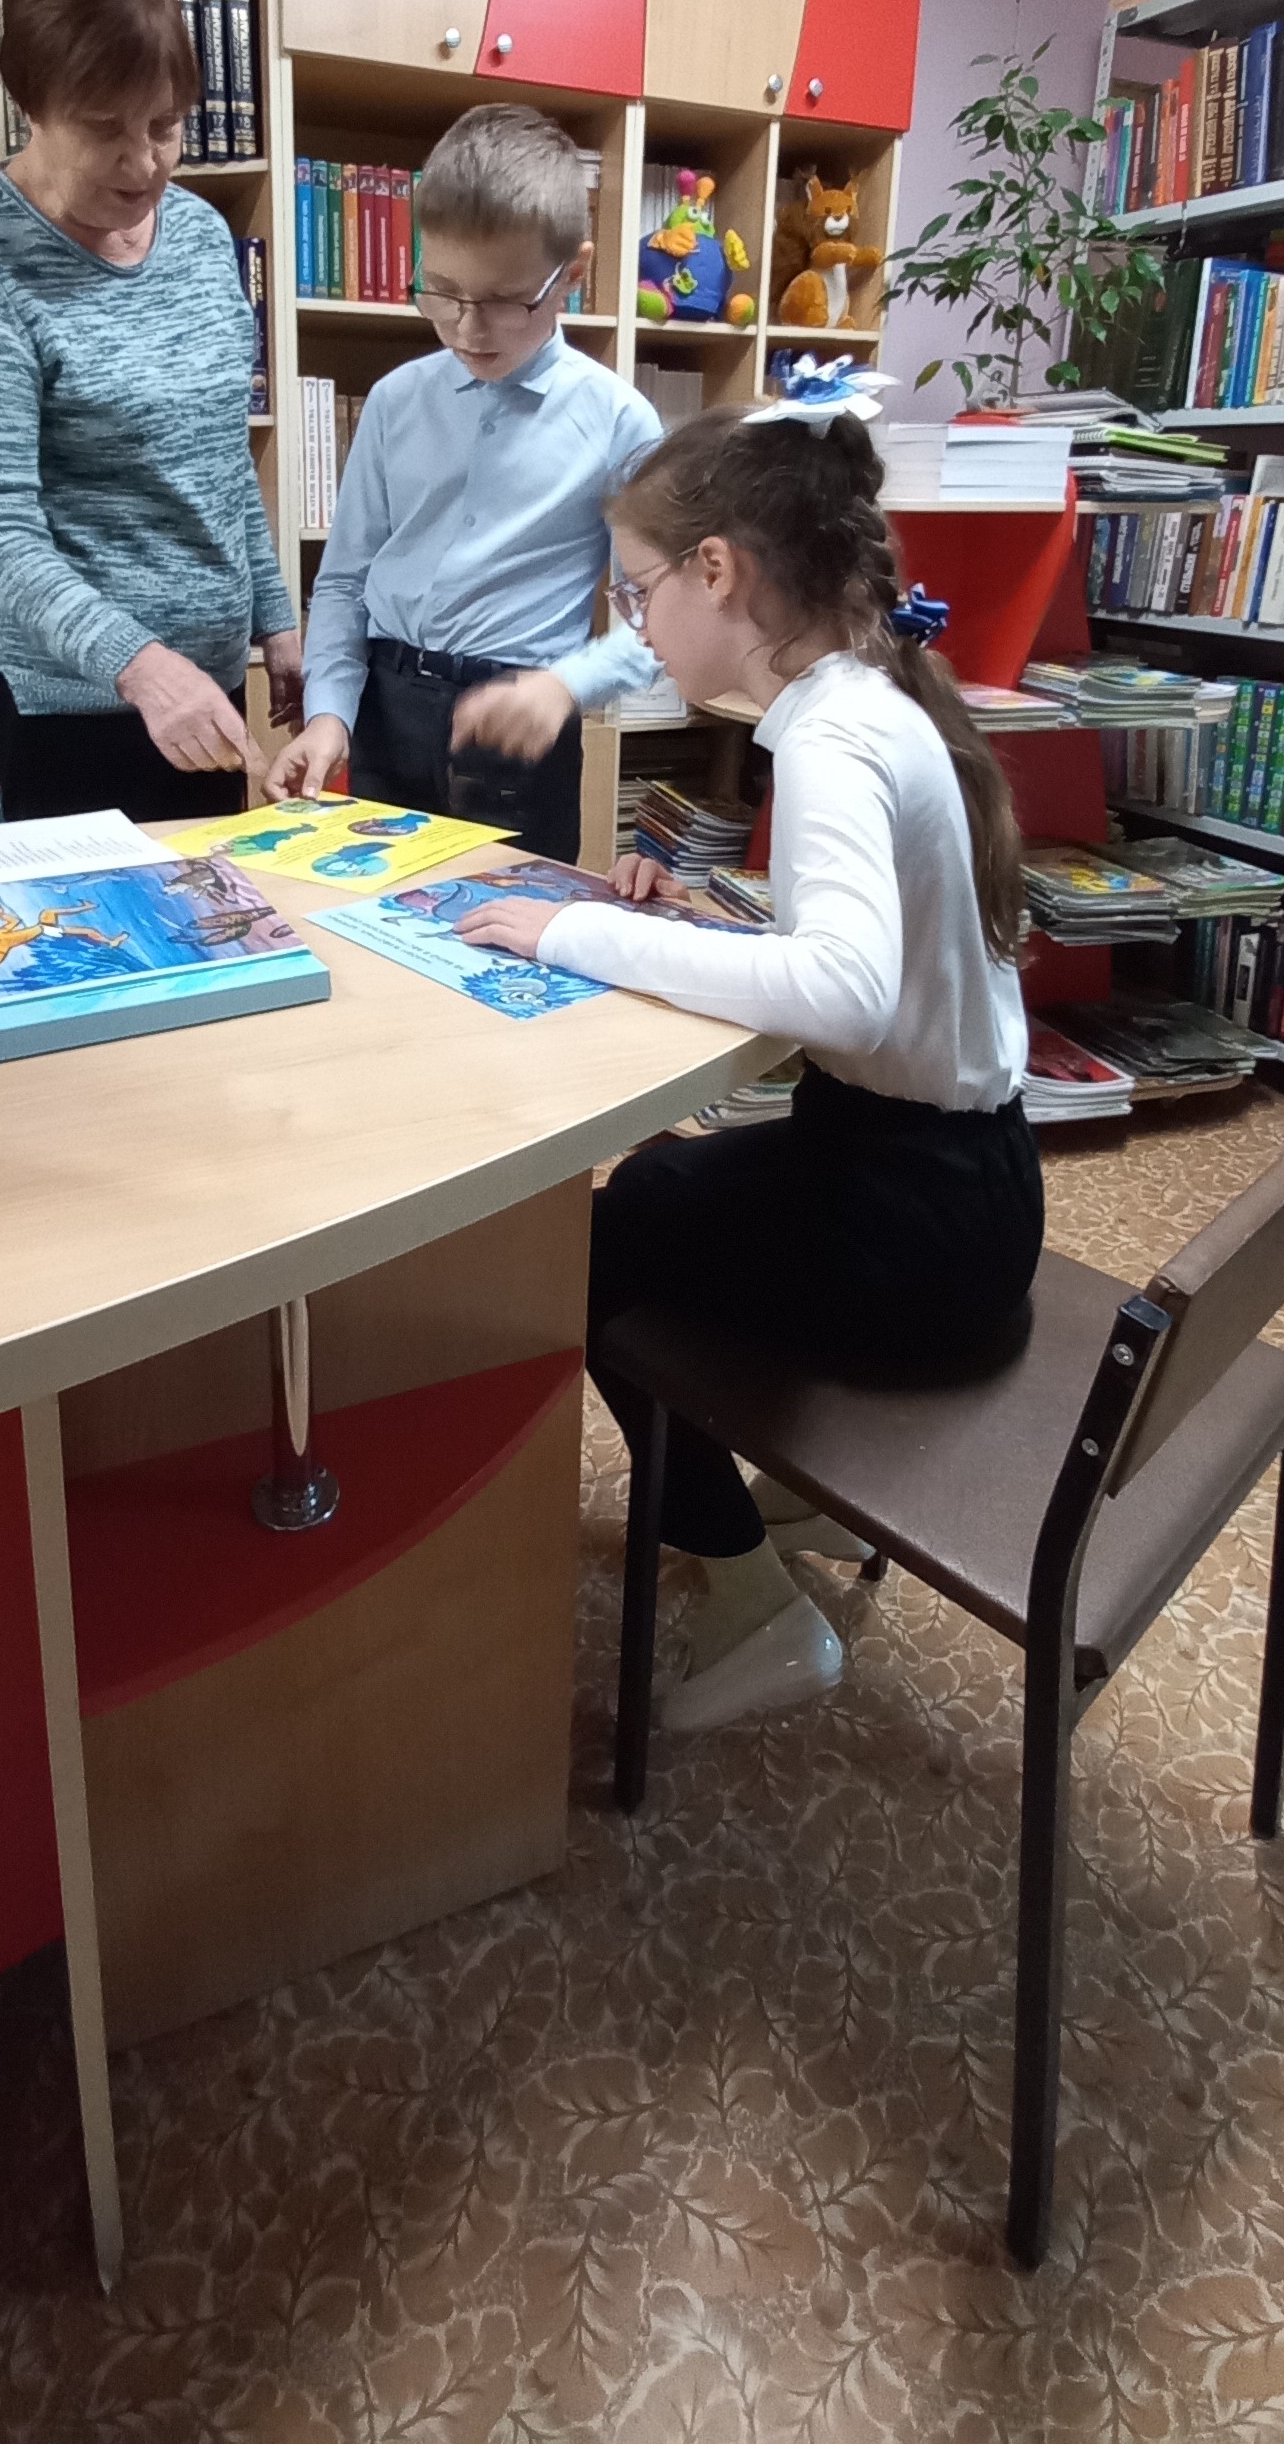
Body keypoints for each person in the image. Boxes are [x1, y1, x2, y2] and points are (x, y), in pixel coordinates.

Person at [457, 393, 1043, 1735]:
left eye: (640, 592)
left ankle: (755, 1606)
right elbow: (866, 959)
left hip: (918, 1239)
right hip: (968, 1191)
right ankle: (784, 1505)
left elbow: (844, 989)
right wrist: (708, 920)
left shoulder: (832, 740)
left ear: (717, 571)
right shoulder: (873, 696)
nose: (638, 625)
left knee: (597, 1252)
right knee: (666, 1185)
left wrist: (580, 933)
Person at [0, 0, 298, 822]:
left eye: (164, 124)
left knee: (216, 907)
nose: (145, 162)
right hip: (69, 708)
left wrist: (275, 619)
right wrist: (141, 666)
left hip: (202, 684)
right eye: (104, 129)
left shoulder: (200, 235)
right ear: (32, 108)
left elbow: (218, 453)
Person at [266, 105, 661, 861]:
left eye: (505, 301)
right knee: (366, 911)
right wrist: (328, 716)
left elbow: (661, 619)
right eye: (443, 292)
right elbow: (345, 580)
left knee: (507, 923)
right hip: (384, 710)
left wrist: (567, 685)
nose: (468, 329)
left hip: (518, 725)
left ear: (573, 275)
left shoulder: (620, 423)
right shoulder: (395, 401)